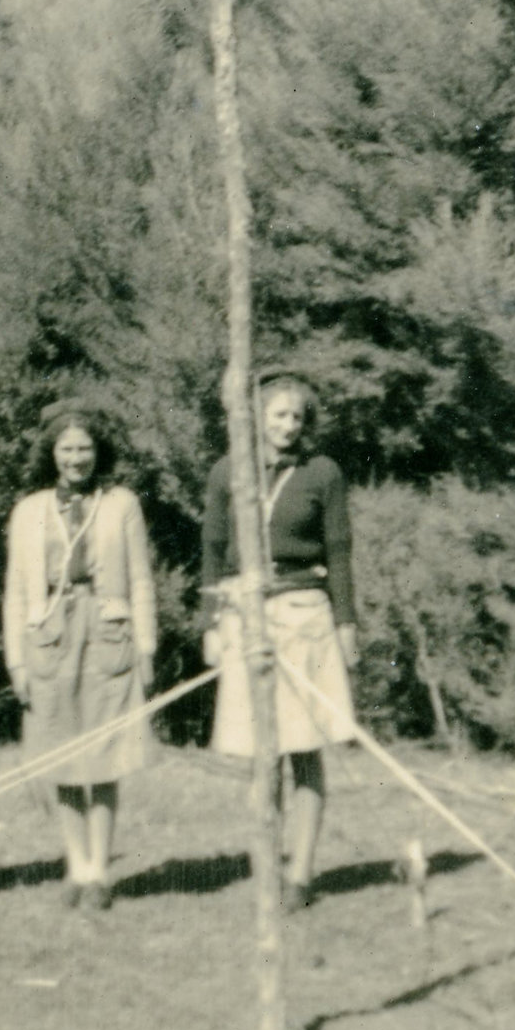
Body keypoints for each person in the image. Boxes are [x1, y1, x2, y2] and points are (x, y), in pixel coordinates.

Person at [200, 370, 359, 911]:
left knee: (306, 750)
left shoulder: (323, 473)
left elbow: (338, 551)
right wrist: (210, 625)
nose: (288, 426)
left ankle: (302, 873)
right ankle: (266, 868)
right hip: (244, 615)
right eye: (278, 415)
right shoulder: (228, 472)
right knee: (259, 755)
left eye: (297, 416)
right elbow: (214, 549)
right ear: (258, 418)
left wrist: (346, 625)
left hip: (305, 614)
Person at [3, 401, 157, 910]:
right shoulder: (29, 510)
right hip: (49, 636)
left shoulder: (121, 504)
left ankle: (101, 873)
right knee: (61, 756)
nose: (76, 458)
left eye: (85, 448)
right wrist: (17, 663)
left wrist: (147, 647)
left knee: (105, 757)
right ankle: (77, 866)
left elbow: (139, 578)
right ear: (51, 454)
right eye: (67, 449)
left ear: (99, 452)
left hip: (107, 633)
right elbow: (18, 589)